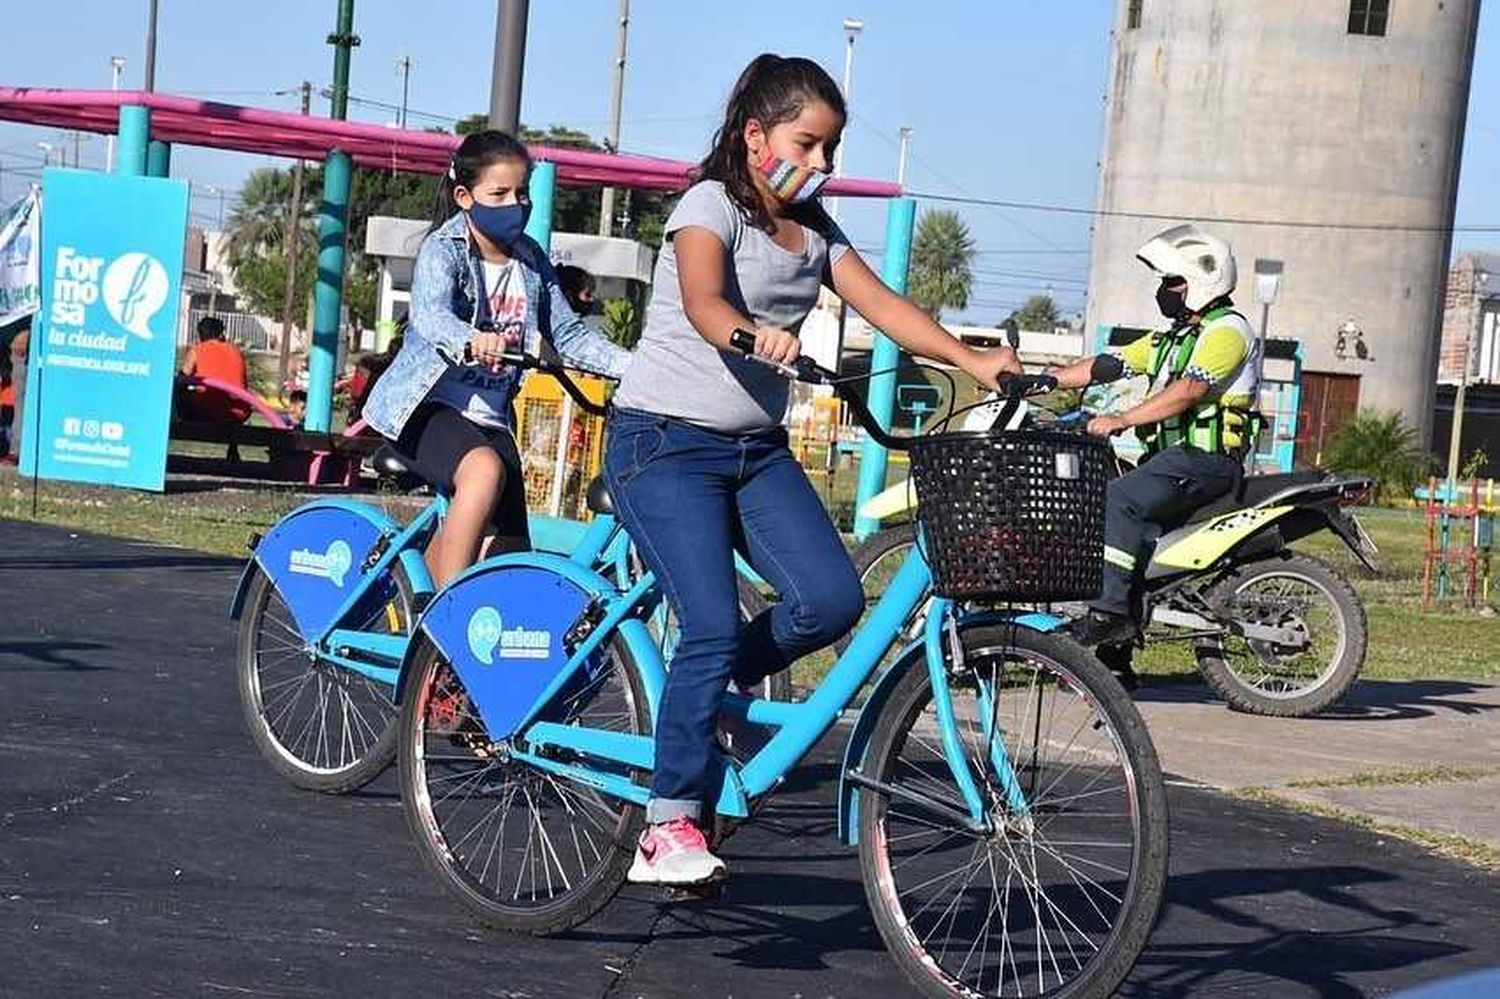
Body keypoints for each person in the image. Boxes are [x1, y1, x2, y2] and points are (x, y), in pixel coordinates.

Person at [604, 54, 1022, 885]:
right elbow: (703, 300)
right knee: (713, 621)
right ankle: (669, 820)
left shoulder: (816, 229)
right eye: (809, 143)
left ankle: (704, 694)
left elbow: (888, 308)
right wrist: (752, 334)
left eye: (831, 149)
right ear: (756, 137)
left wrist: (974, 360)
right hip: (662, 444)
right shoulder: (708, 206)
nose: (823, 164)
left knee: (829, 599)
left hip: (751, 451)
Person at [361, 129, 631, 588]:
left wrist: (644, 368)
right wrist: (471, 338)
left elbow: (569, 336)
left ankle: (412, 627)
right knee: (483, 471)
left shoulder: (531, 259)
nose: (516, 204)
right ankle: (441, 631)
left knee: (503, 562)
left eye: (521, 193)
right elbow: (428, 316)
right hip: (424, 409)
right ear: (465, 196)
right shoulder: (443, 250)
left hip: (490, 419)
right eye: (500, 193)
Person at [1046, 223, 1258, 684]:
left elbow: (1190, 390)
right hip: (1172, 461)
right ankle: (1115, 660)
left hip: (1204, 462)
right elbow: (1110, 363)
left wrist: (1122, 420)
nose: (1164, 291)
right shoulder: (1173, 337)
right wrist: (1045, 380)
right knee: (1114, 515)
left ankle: (1108, 615)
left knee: (1119, 501)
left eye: (1172, 282)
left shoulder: (1228, 332)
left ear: (1203, 281)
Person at [178, 315, 252, 424]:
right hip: (239, 412)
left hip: (207, 411)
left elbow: (182, 379)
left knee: (180, 391)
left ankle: (178, 424)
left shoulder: (197, 350)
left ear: (200, 335)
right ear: (221, 334)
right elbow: (243, 384)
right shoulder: (236, 351)